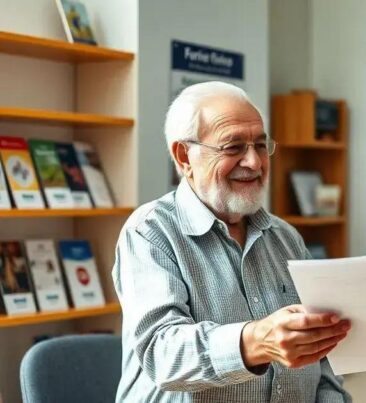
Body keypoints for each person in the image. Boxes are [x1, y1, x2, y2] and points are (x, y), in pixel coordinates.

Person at [113, 81, 352, 402]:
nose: (254, 162)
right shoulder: (150, 232)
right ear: (184, 156)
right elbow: (161, 352)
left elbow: (324, 362)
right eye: (233, 147)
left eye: (260, 145)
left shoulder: (285, 238)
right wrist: (256, 341)